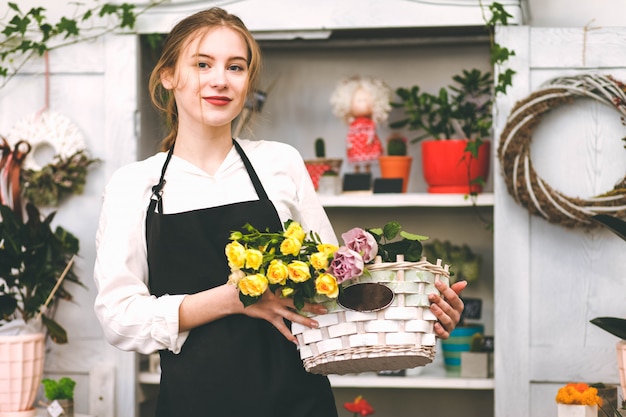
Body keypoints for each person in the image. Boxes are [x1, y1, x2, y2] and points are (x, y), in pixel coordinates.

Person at [93, 7, 467, 417]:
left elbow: (336, 285)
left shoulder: (279, 164)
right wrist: (235, 298)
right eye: (203, 64)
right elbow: (118, 316)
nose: (220, 79)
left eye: (235, 67)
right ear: (168, 76)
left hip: (298, 401)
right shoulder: (136, 185)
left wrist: (416, 310)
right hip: (193, 403)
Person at [330, 76, 391, 173]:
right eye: (359, 100)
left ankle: (367, 172)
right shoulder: (353, 124)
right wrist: (349, 142)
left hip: (367, 143)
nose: (362, 103)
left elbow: (371, 131)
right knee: (356, 161)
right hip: (356, 144)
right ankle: (356, 173)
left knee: (366, 161)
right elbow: (350, 134)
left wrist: (370, 139)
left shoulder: (370, 123)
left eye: (365, 100)